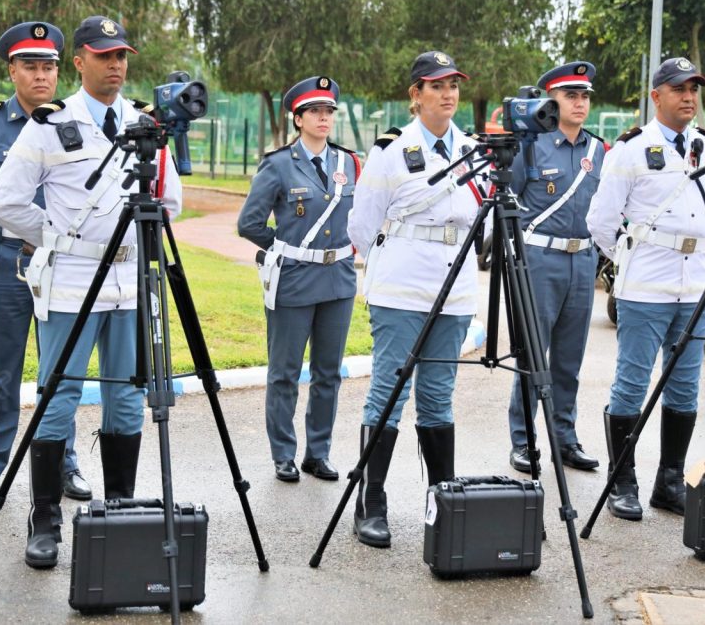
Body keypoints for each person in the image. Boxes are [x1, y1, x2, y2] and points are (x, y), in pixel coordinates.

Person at [0, 15, 182, 568]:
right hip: (73, 280)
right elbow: (5, 203)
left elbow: (172, 201)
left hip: (129, 280)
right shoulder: (51, 123)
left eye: (122, 55)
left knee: (126, 396)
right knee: (59, 397)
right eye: (104, 55)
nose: (116, 65)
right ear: (79, 62)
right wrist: (56, 237)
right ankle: (44, 517)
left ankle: (119, 509)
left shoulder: (143, 122)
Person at [0, 22, 92, 506]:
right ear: (11, 70)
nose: (41, 75)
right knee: (2, 371)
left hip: (63, 261)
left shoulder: (74, 123)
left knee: (61, 371)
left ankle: (64, 462)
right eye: (30, 66)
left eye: (49, 66)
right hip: (7, 259)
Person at [348, 51, 484, 548]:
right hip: (402, 288)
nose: (448, 93)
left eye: (454, 85)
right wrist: (396, 266)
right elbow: (361, 227)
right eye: (436, 85)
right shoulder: (390, 150)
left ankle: (441, 499)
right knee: (389, 391)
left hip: (455, 287)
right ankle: (372, 501)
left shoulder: (473, 150)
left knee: (437, 396)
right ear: (415, 94)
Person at [585, 57, 705, 521]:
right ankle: (621, 480)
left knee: (685, 387)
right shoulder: (630, 149)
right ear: (656, 96)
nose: (689, 97)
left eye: (694, 89)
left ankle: (670, 481)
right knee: (631, 384)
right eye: (679, 88)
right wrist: (628, 260)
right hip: (646, 283)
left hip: (694, 282)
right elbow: (601, 223)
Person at [237, 76, 360, 483]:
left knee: (329, 372)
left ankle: (317, 453)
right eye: (315, 112)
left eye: (328, 111)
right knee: (285, 371)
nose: (323, 118)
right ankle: (283, 454)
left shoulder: (348, 163)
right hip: (293, 279)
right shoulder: (278, 165)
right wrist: (285, 247)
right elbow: (249, 223)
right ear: (298, 118)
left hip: (338, 280)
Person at [507, 61, 606, 475]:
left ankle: (565, 438)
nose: (579, 102)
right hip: (539, 260)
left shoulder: (599, 149)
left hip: (582, 260)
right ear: (551, 99)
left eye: (584, 95)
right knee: (534, 354)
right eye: (570, 95)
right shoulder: (529, 145)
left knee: (569, 358)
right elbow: (505, 203)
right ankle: (523, 440)